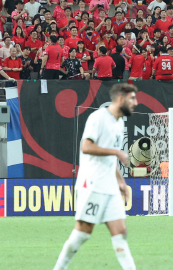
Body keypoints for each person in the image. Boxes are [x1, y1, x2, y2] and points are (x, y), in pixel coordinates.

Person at [53, 83, 138, 270]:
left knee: (120, 232)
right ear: (121, 98)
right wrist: (116, 152)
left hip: (110, 185)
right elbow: (86, 147)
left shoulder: (119, 122)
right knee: (83, 232)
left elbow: (109, 158)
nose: (136, 103)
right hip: (92, 183)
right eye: (132, 98)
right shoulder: (98, 118)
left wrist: (120, 181)